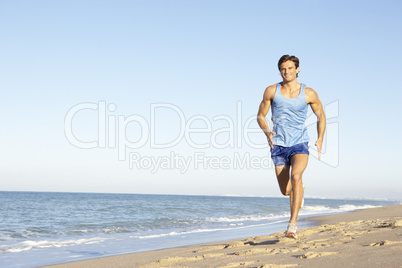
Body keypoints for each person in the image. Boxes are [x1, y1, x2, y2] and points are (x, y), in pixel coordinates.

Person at [257, 55, 326, 239]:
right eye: (283, 69)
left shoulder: (308, 93)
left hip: (299, 143)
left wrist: (320, 138)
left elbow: (321, 115)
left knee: (296, 176)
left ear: (297, 69)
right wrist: (268, 132)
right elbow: (261, 116)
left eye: (289, 68)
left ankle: (292, 225)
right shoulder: (272, 90)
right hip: (279, 144)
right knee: (286, 190)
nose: (286, 72)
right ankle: (299, 189)